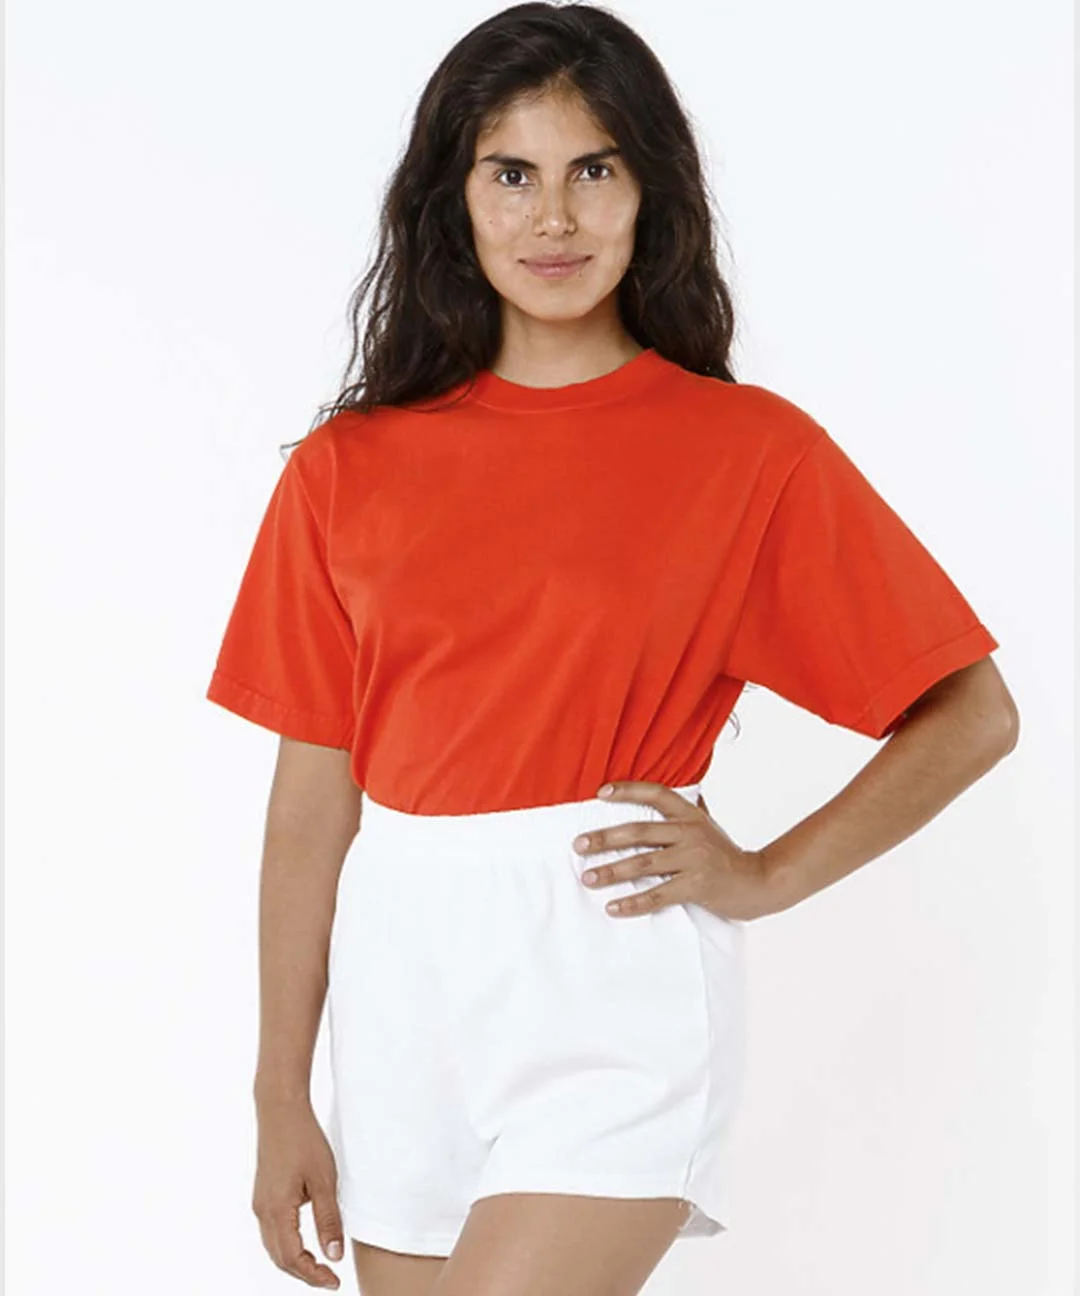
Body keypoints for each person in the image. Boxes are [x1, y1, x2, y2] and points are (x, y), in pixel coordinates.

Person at [205, 3, 1019, 1292]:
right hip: (401, 989)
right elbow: (313, 802)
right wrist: (277, 1095)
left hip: (610, 975)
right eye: (510, 174)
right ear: (453, 199)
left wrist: (766, 874)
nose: (555, 218)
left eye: (594, 169)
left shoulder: (747, 453)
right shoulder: (345, 469)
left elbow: (971, 712)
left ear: (651, 192)